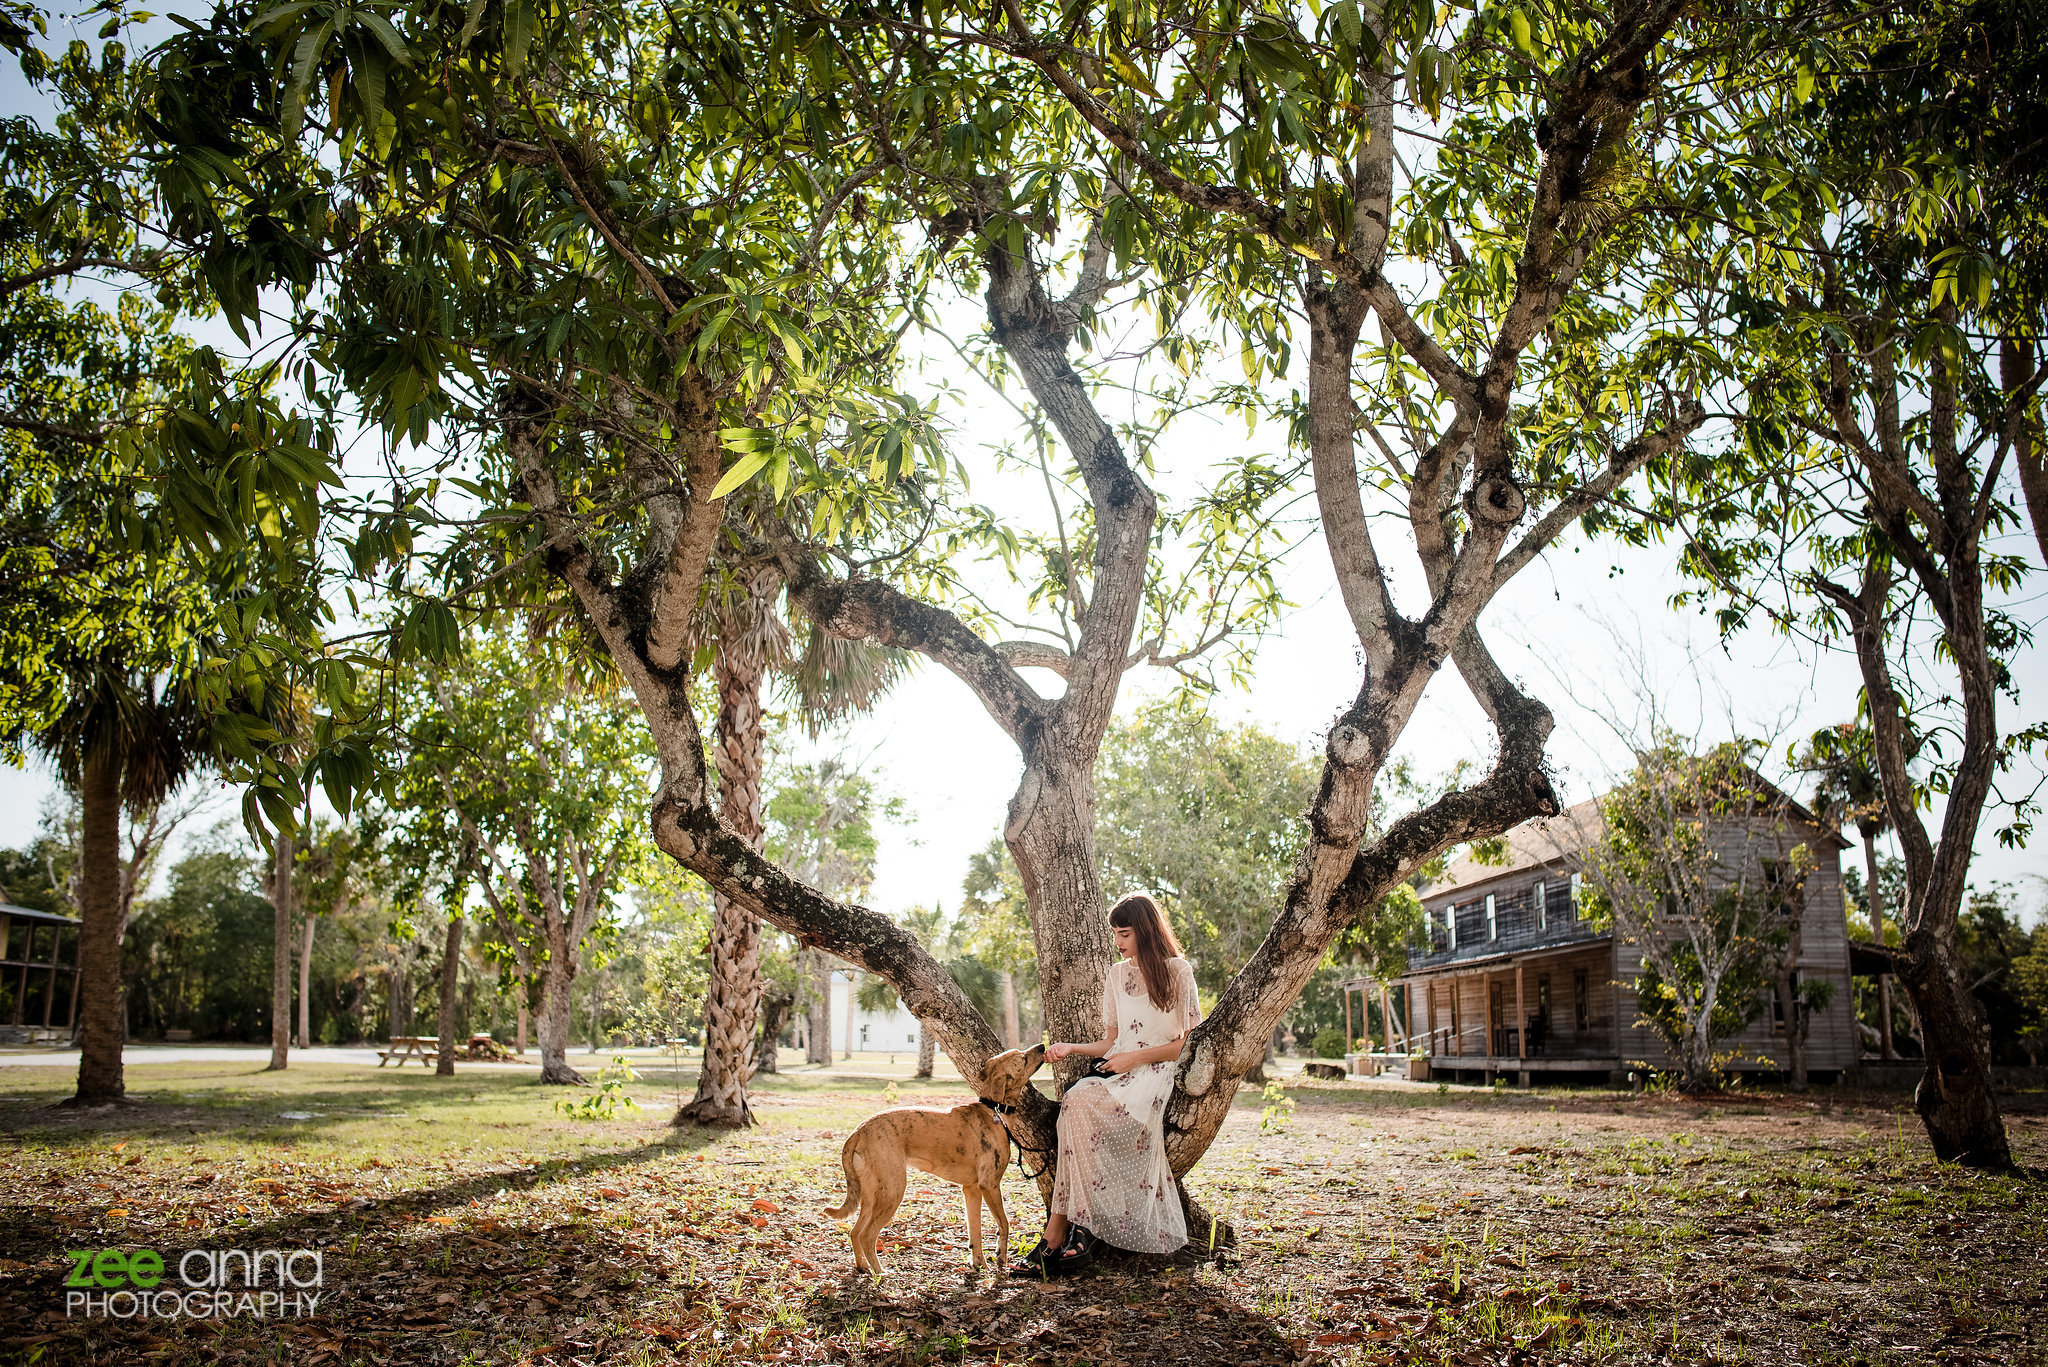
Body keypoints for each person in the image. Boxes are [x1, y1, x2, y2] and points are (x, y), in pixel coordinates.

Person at [1017, 892, 1201, 1275]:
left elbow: (1186, 1043)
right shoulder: (1116, 975)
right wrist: (1072, 1048)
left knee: (1079, 1105)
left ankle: (1061, 1232)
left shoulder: (1179, 971)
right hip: (1119, 1069)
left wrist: (1133, 1059)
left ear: (1146, 932)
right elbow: (1110, 1042)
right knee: (1074, 1101)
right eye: (1115, 933)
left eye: (1125, 934)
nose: (1118, 943)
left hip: (1154, 1072)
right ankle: (1075, 1230)